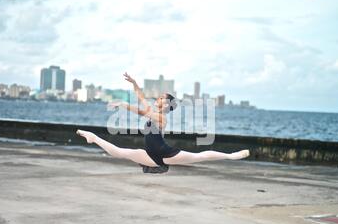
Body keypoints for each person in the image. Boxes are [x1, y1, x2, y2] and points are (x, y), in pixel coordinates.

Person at [76, 72, 250, 173]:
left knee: (200, 156)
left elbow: (143, 110)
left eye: (161, 98)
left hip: (166, 153)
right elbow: (142, 98)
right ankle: (93, 138)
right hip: (151, 156)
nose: (158, 98)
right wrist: (135, 83)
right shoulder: (154, 112)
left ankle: (230, 156)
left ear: (166, 104)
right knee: (120, 152)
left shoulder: (161, 118)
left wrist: (123, 104)